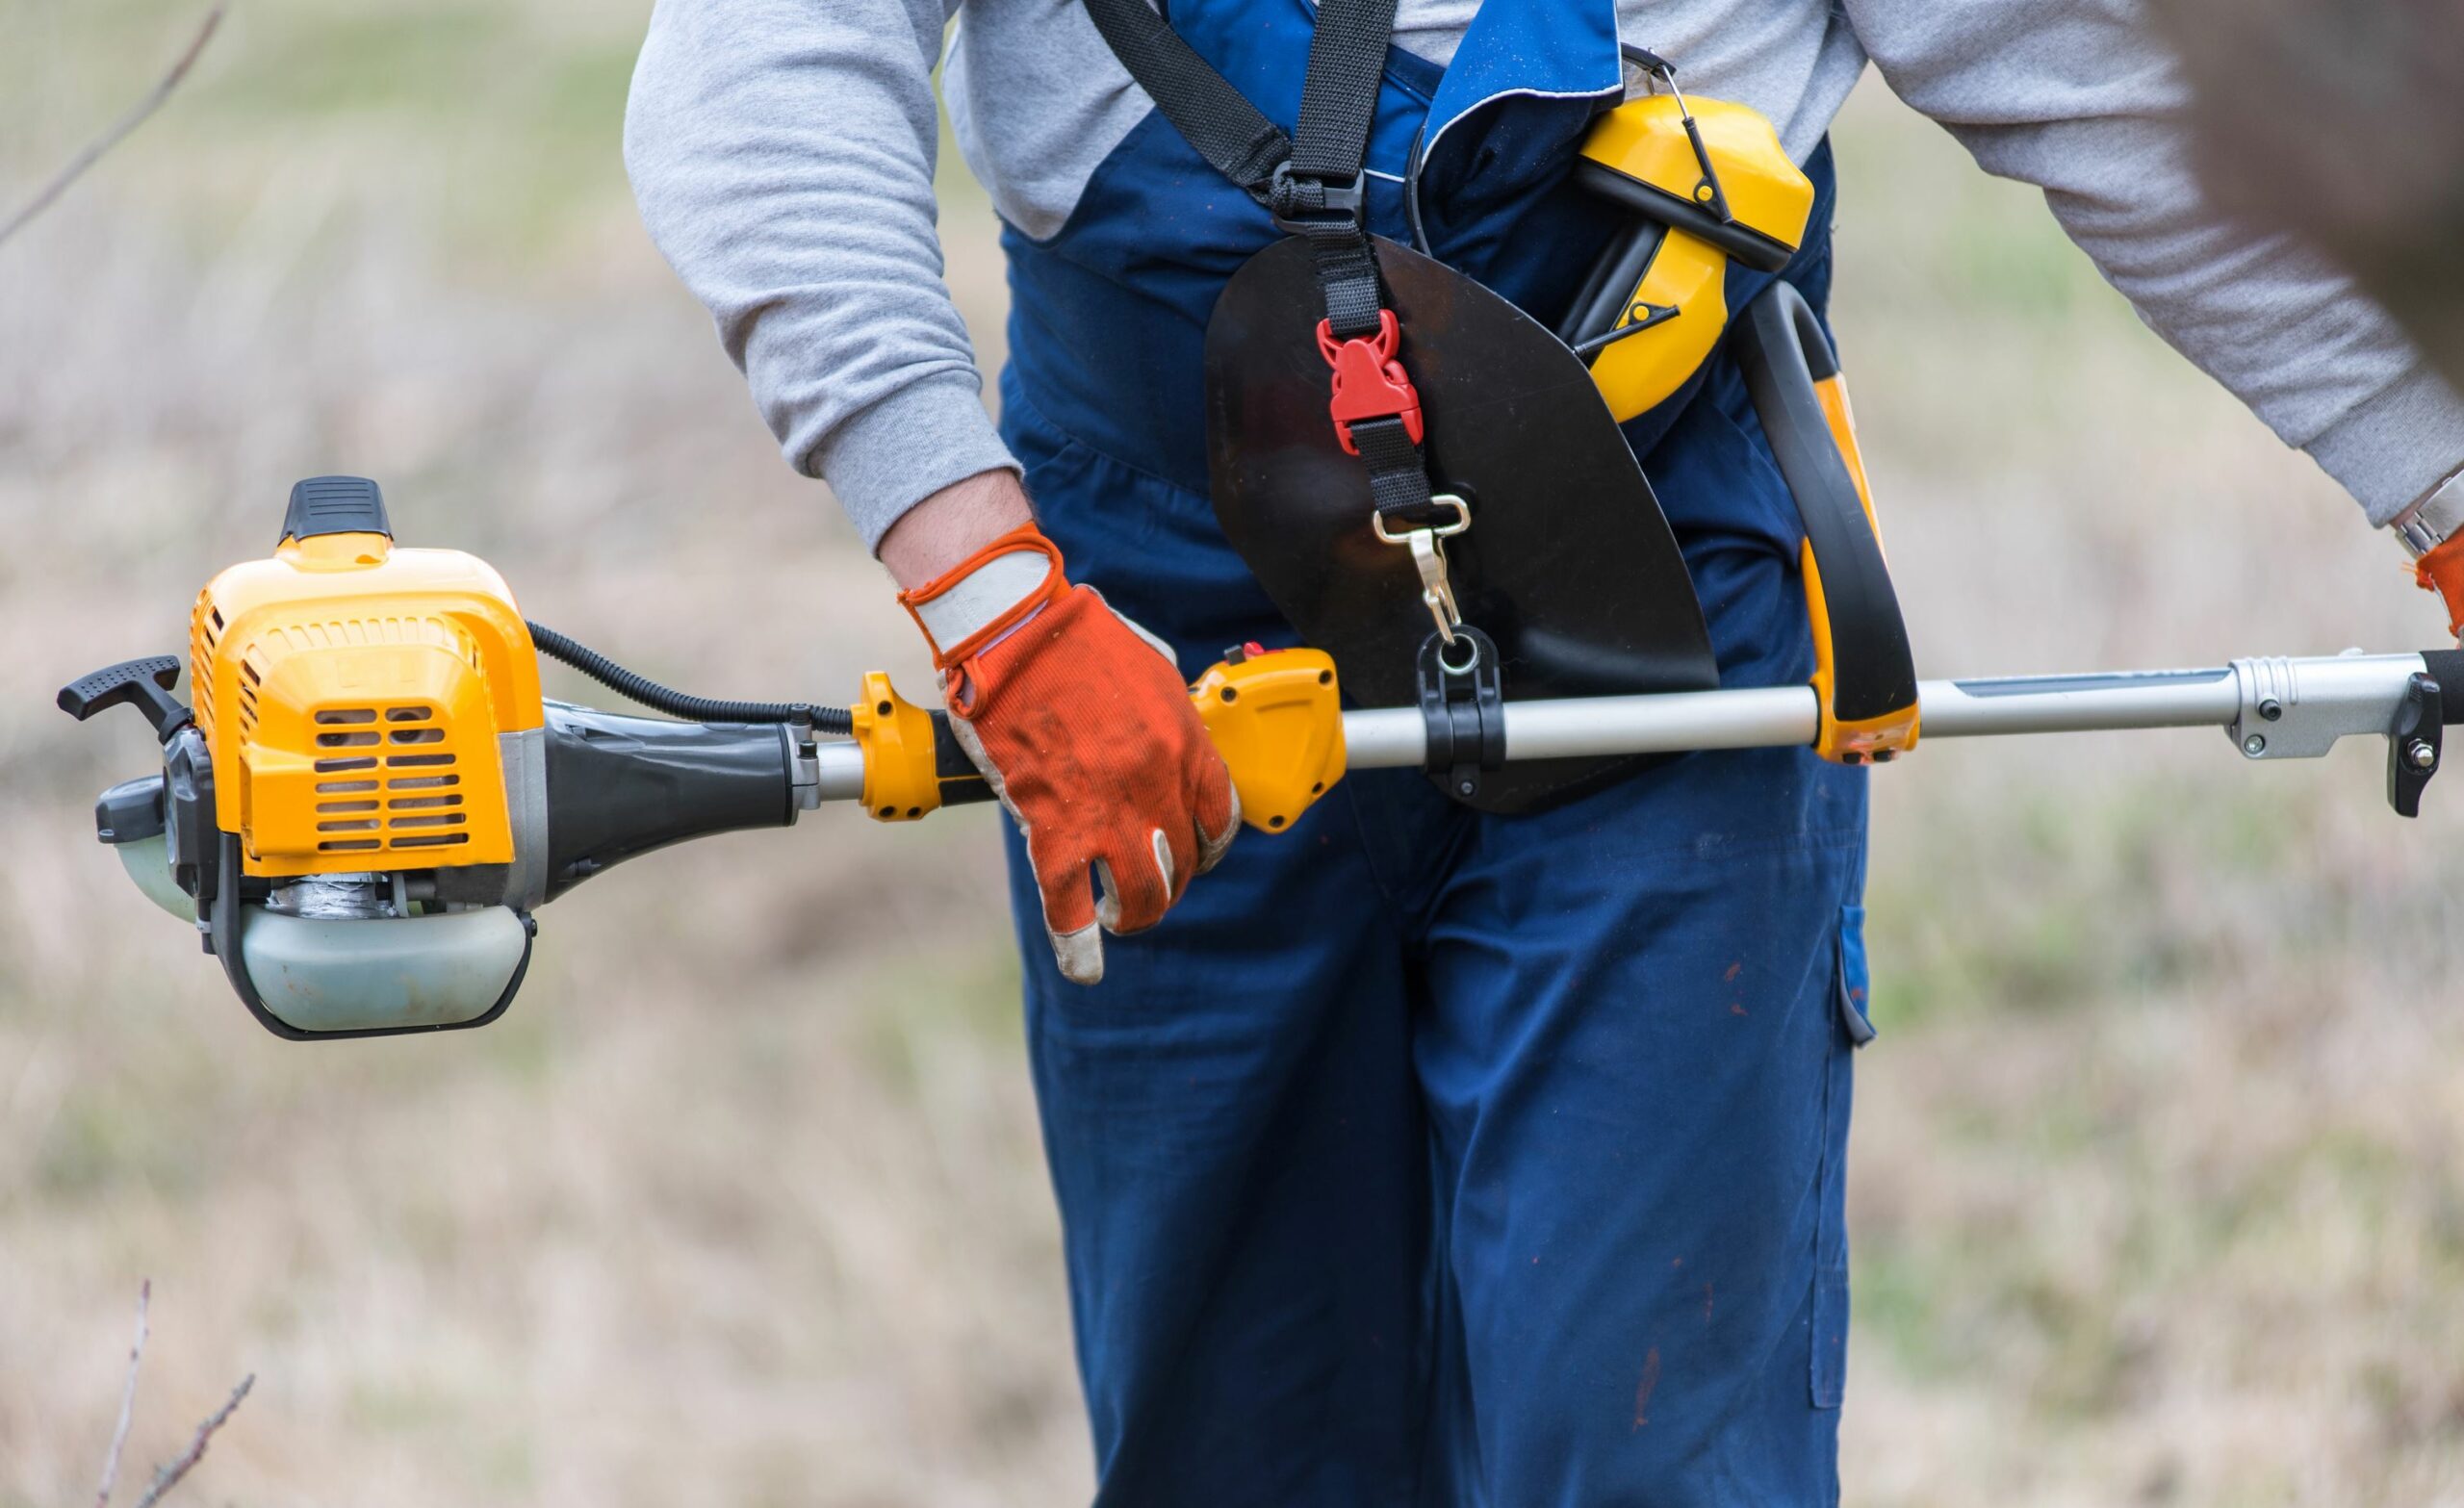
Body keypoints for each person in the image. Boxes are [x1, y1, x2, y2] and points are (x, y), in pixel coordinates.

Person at [623, 1, 2464, 1500]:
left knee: (1650, 1439)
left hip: (1666, 560)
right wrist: (995, 598)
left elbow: (2108, 72)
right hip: (1143, 592)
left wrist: (2443, 487)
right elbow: (755, 73)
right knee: (1243, 1447)